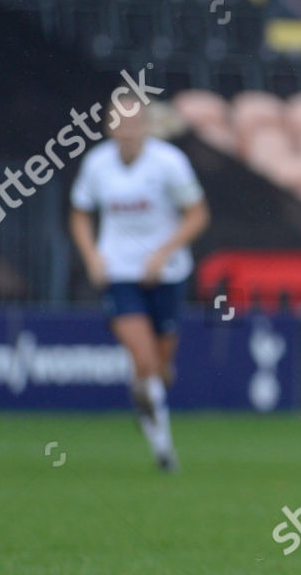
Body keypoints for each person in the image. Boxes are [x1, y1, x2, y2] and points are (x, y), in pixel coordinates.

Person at [69, 90, 209, 472]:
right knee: (144, 359)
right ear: (108, 126)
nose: (126, 130)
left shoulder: (169, 163)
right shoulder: (97, 164)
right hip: (120, 274)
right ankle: (164, 451)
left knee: (160, 371)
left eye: (133, 123)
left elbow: (197, 215)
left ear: (146, 126)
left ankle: (145, 395)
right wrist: (92, 257)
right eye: (119, 123)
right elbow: (80, 214)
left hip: (167, 273)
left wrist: (162, 252)